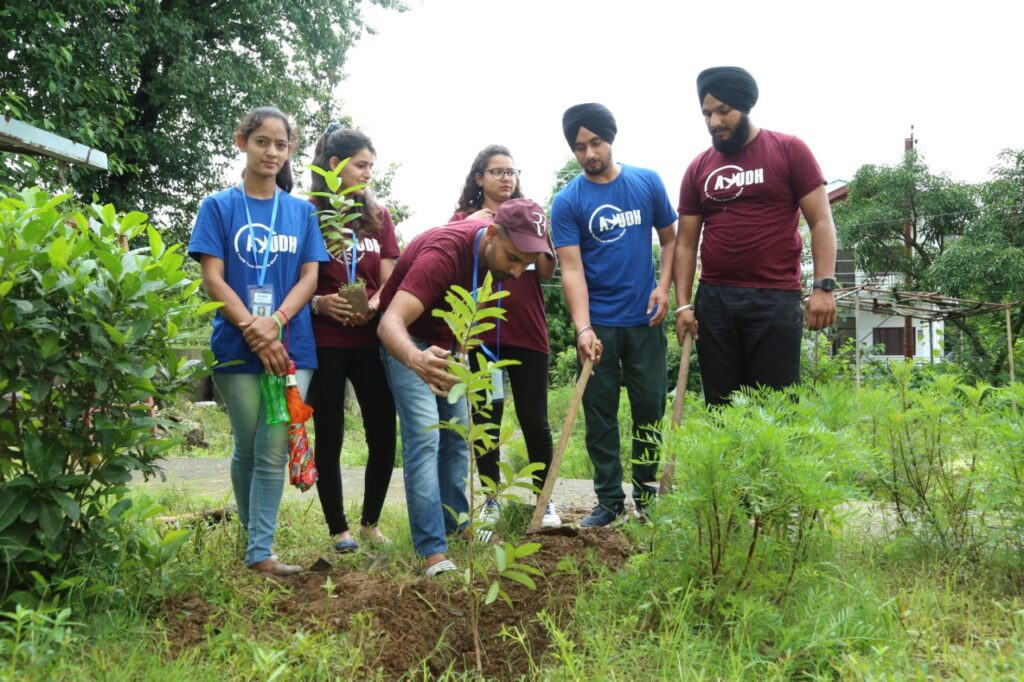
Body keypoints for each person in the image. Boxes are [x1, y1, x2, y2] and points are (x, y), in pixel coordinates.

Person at [377, 198, 552, 576]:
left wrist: (457, 346)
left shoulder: (494, 257)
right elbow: (389, 322)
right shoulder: (443, 253)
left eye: (527, 263)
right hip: (408, 340)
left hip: (448, 343)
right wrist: (416, 359)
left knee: (458, 435)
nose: (519, 272)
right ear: (491, 235)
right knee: (426, 438)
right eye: (513, 258)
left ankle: (458, 527)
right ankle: (432, 550)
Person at [188, 106, 329, 575]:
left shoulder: (301, 212)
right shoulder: (218, 207)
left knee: (272, 444)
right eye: (262, 141)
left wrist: (278, 321)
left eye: (281, 144)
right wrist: (254, 326)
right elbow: (213, 279)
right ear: (242, 142)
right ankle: (256, 547)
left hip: (293, 347)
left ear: (291, 150)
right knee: (247, 445)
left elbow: (311, 276)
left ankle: (260, 554)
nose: (271, 152)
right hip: (234, 343)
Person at [674, 66, 837, 407]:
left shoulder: (789, 149)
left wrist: (823, 287)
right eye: (707, 113)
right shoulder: (698, 168)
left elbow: (821, 220)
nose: (715, 121)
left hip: (774, 299)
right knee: (722, 407)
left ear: (745, 106)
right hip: (715, 302)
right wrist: (684, 305)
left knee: (775, 409)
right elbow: (686, 243)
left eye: (724, 111)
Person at [551, 103, 678, 528]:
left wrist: (664, 288)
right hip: (599, 325)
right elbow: (571, 268)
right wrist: (583, 327)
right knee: (600, 415)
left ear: (611, 138)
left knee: (649, 409)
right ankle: (608, 502)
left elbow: (671, 239)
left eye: (596, 143)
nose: (589, 153)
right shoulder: (568, 201)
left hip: (645, 320)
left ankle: (647, 496)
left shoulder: (647, 182)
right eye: (580, 146)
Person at [449, 145, 560, 528]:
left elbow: (546, 272)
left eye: (511, 171)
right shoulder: (464, 220)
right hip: (480, 333)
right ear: (479, 177)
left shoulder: (532, 215)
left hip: (528, 331)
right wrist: (477, 224)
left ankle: (543, 501)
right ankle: (490, 498)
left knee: (535, 418)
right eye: (496, 171)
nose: (505, 178)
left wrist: (539, 234)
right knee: (486, 416)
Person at [307, 125, 399, 553]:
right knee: (329, 433)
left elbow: (390, 279)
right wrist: (318, 304)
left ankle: (370, 522)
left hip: (368, 343)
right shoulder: (309, 214)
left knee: (383, 429)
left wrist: (376, 304)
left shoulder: (378, 220)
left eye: (370, 167)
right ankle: (338, 528)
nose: (367, 174)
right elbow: (298, 279)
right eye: (361, 165)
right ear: (334, 166)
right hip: (324, 342)